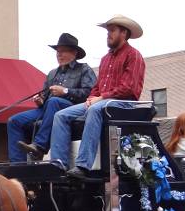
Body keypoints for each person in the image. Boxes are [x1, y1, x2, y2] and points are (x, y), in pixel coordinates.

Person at [49, 14, 146, 180]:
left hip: (123, 103)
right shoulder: (105, 59)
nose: (108, 34)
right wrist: (91, 97)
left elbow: (128, 88)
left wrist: (99, 99)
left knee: (94, 109)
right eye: (108, 31)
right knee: (60, 115)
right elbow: (97, 86)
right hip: (102, 101)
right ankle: (59, 164)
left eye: (112, 30)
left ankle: (83, 165)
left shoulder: (133, 55)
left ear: (124, 33)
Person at [9, 33, 97, 162]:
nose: (58, 55)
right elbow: (45, 99)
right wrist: (40, 101)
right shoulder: (52, 73)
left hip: (73, 107)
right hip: (48, 108)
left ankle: (39, 146)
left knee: (54, 101)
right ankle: (16, 165)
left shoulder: (84, 69)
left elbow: (89, 93)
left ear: (74, 53)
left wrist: (65, 91)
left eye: (62, 51)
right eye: (57, 52)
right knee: (14, 120)